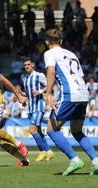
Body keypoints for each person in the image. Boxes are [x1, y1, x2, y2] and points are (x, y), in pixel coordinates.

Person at [44, 28, 98, 176]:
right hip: (83, 93)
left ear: (47, 42)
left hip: (70, 94)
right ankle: (95, 161)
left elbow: (51, 72)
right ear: (61, 41)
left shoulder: (49, 53)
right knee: (77, 131)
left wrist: (48, 94)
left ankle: (74, 160)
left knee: (51, 129)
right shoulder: (71, 54)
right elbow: (77, 75)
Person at [21, 57, 54, 162]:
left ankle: (42, 151)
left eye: (28, 64)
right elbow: (29, 94)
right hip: (30, 108)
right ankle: (49, 152)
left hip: (38, 106)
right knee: (38, 131)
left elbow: (49, 86)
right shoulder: (25, 79)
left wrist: (39, 92)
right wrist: (22, 95)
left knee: (32, 129)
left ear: (33, 64)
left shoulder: (39, 75)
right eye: (25, 65)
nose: (27, 66)